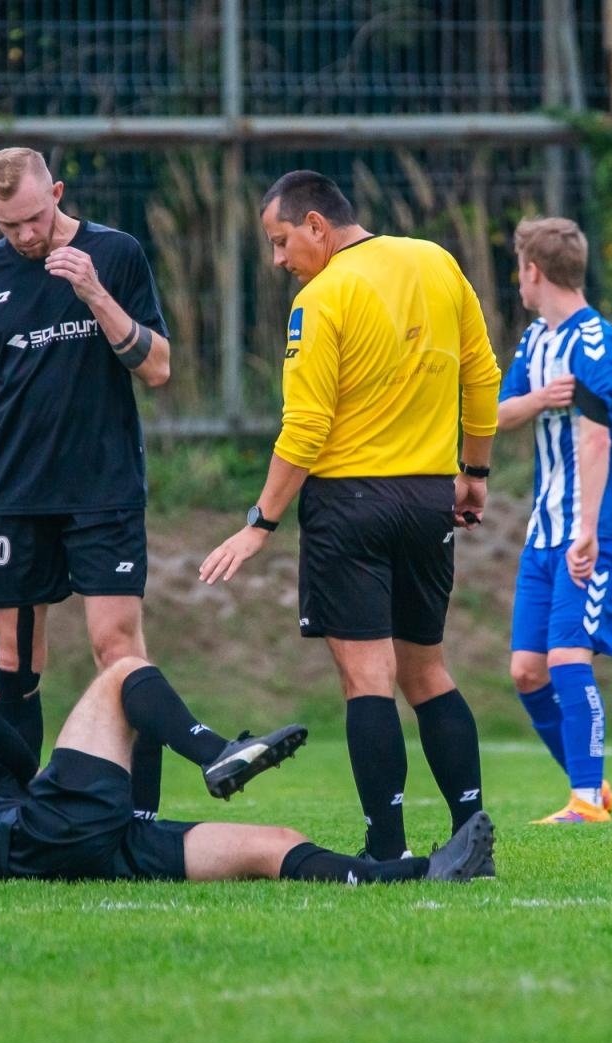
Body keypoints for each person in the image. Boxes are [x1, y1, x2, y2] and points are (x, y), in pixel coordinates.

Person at [199, 171, 501, 862]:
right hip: (430, 500)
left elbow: (304, 428)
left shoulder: (323, 295)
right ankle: (469, 833)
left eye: (281, 242)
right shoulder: (437, 261)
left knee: (368, 678)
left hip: (350, 505)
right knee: (428, 672)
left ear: (316, 225)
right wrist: (474, 473)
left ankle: (386, 847)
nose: (279, 261)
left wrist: (261, 521)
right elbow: (481, 375)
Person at [0, 146, 176, 819]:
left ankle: (138, 820)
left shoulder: (116, 254)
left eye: (32, 221)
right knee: (12, 666)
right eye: (6, 225)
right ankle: (19, 817)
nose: (22, 237)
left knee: (119, 651)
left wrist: (94, 293)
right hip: (14, 499)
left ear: (58, 195)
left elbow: (157, 367)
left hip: (103, 492)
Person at [0, 657, 494, 885]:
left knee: (269, 845)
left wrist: (4, 786)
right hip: (53, 827)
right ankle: (214, 751)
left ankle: (422, 872)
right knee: (121, 675)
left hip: (89, 850)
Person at [497, 218, 612, 824]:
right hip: (543, 532)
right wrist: (539, 399)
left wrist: (586, 529)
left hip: (593, 530)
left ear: (533, 271)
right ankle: (593, 785)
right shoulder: (535, 341)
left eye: (519, 269)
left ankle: (585, 800)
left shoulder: (594, 344)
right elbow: (499, 414)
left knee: (566, 658)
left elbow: (597, 440)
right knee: (527, 671)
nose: (518, 282)